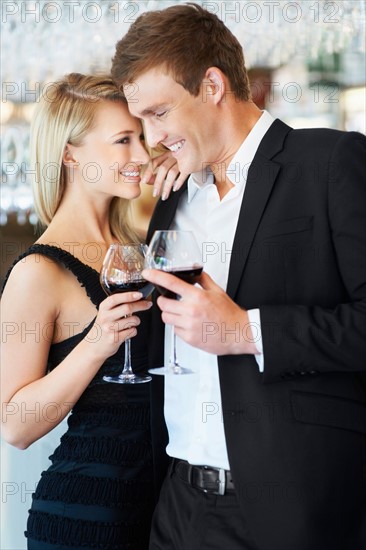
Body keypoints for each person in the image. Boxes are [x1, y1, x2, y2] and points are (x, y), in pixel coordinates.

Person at [111, 4, 366, 550]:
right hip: (176, 501)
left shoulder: (330, 164)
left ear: (212, 84)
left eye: (159, 114)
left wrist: (246, 332)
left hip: (287, 510)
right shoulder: (176, 190)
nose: (152, 138)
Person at [0, 73, 184, 549]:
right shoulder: (39, 271)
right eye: (123, 140)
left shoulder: (139, 251)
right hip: (87, 517)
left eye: (140, 138)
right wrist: (95, 345)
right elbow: (16, 426)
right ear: (69, 153)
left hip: (166, 512)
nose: (141, 155)